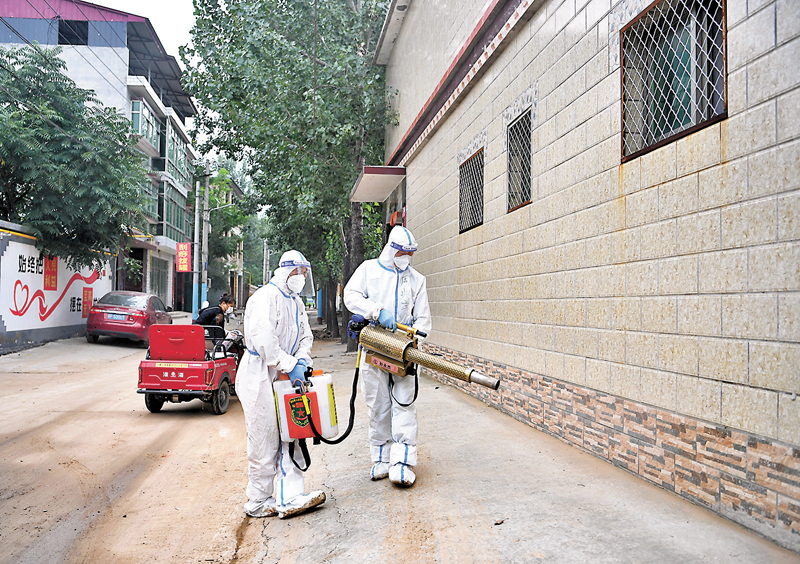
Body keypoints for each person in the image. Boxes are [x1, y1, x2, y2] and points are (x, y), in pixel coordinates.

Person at [235, 250, 326, 518]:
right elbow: (265, 342)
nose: (302, 278)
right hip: (260, 376)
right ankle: (258, 500)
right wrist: (288, 364)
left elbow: (306, 336)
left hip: (286, 376)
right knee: (264, 439)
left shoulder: (296, 302)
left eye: (305, 274)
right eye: (300, 273)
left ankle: (291, 496)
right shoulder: (264, 298)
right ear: (287, 271)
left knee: (293, 434)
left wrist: (301, 360)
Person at [343, 226, 431, 487]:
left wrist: (414, 342)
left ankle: (402, 461)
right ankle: (381, 458)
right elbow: (350, 296)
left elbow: (424, 319)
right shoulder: (369, 270)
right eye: (403, 253)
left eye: (410, 254)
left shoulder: (417, 280)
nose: (407, 258)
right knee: (378, 404)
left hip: (404, 351)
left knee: (404, 403)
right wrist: (376, 311)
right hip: (374, 346)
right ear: (392, 250)